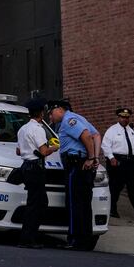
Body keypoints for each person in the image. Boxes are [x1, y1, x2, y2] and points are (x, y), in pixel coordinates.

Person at [48, 100, 102, 250]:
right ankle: (85, 240)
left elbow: (86, 136)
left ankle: (75, 240)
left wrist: (91, 158)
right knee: (84, 203)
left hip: (76, 164)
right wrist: (95, 157)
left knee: (74, 203)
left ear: (58, 109)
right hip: (83, 164)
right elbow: (96, 135)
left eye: (51, 114)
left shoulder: (68, 121)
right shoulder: (79, 118)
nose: (50, 118)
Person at [15, 98, 59, 248]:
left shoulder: (23, 129)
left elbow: (18, 151)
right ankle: (28, 238)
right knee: (37, 205)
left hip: (26, 167)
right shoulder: (38, 129)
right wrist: (54, 147)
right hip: (35, 169)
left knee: (35, 203)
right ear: (41, 113)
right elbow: (44, 151)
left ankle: (27, 237)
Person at [101, 107, 134, 222]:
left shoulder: (133, 130)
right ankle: (112, 209)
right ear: (118, 117)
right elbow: (105, 145)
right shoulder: (112, 130)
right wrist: (111, 158)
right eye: (123, 117)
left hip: (132, 162)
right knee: (115, 187)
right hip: (117, 161)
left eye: (127, 117)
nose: (125, 119)